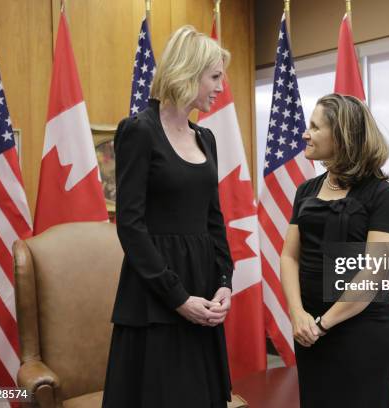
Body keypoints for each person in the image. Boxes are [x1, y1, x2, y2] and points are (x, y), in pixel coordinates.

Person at [102, 26, 233, 408]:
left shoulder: (205, 138)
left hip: (204, 293)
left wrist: (224, 281)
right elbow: (130, 225)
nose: (221, 87)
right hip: (156, 297)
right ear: (188, 73)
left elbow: (214, 220)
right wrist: (178, 298)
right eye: (215, 76)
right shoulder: (138, 131)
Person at [280, 93, 389, 408]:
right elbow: (289, 256)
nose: (306, 134)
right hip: (308, 330)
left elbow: (375, 273)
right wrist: (297, 316)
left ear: (343, 137)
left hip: (361, 331)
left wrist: (322, 324)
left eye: (315, 127)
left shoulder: (380, 194)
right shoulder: (305, 190)